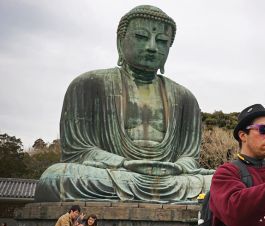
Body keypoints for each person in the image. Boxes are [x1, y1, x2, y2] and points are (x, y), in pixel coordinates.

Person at [35, 5, 213, 203]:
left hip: (170, 179)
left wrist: (178, 166)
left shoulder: (185, 97)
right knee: (55, 178)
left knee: (215, 182)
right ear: (120, 42)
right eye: (141, 37)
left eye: (162, 41)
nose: (152, 47)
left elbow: (189, 157)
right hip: (114, 174)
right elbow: (79, 151)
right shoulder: (88, 84)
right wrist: (124, 163)